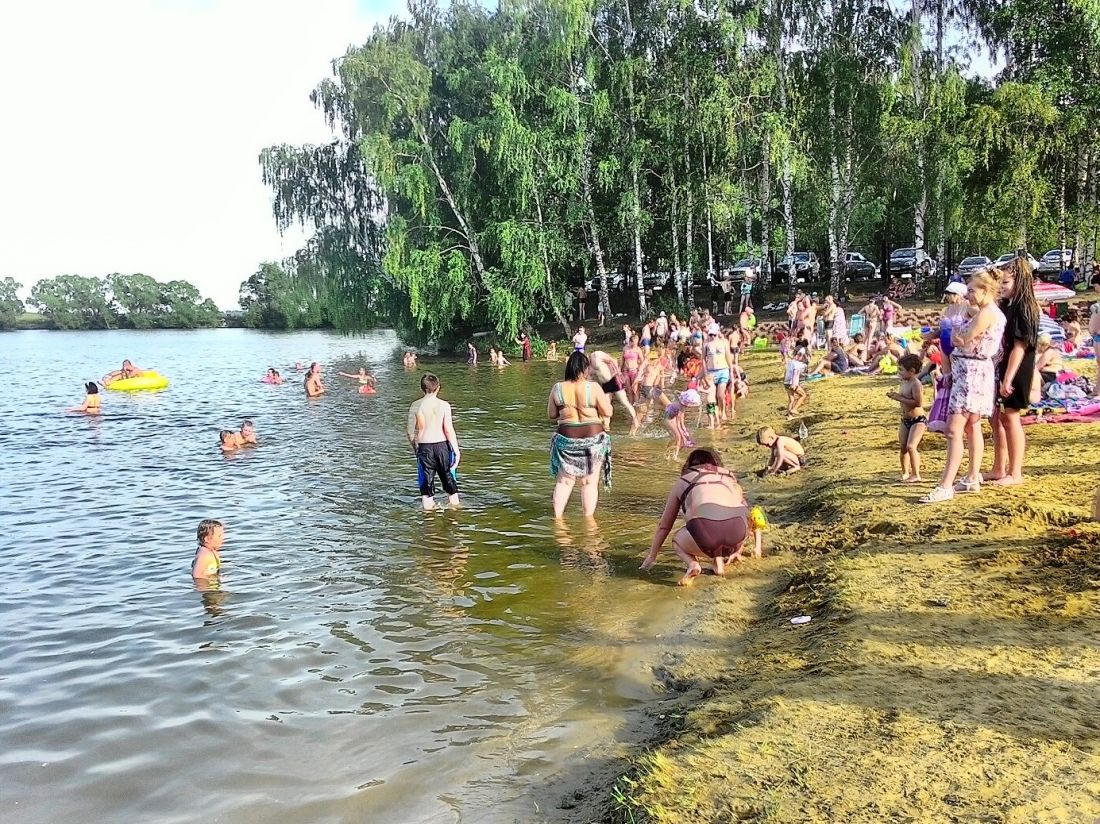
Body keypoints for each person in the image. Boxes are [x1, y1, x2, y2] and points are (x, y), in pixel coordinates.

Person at [920, 269, 1006, 503]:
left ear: (985, 290)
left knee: (953, 429)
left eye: (971, 290)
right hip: (974, 371)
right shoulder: (988, 312)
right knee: (972, 426)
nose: (967, 295)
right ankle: (971, 477)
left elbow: (961, 338)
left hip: (971, 372)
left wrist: (955, 331)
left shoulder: (987, 313)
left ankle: (945, 485)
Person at [640, 448, 751, 586]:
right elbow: (746, 511)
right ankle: (719, 565)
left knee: (678, 539)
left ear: (689, 465)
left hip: (706, 535)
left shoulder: (683, 481)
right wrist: (740, 545)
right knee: (719, 517)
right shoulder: (729, 477)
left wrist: (652, 556)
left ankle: (693, 565)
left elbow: (664, 526)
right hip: (737, 535)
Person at [985, 258, 1040, 486]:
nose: (1001, 287)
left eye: (1006, 282)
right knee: (996, 418)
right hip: (1004, 365)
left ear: (1020, 280)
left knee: (1011, 417)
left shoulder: (1024, 306)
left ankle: (1015, 472)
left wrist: (1007, 378)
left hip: (1017, 367)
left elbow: (1020, 346)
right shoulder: (1006, 305)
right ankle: (999, 468)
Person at [547, 352, 613, 518]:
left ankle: (558, 520)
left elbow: (552, 414)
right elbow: (608, 411)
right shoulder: (594, 387)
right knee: (589, 482)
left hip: (566, 440)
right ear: (585, 369)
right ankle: (589, 522)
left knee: (565, 481)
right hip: (593, 440)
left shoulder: (558, 388)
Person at [407, 373, 461, 511]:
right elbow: (449, 430)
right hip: (442, 446)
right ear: (438, 388)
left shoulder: (415, 405)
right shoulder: (444, 405)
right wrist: (456, 450)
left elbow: (410, 432)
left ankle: (429, 521)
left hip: (424, 447)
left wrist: (416, 449)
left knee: (426, 486)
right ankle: (454, 517)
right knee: (449, 482)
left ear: (422, 388)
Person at [887, 354, 928, 483]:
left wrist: (898, 398)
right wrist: (895, 395)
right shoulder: (904, 382)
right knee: (903, 447)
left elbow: (918, 403)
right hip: (905, 420)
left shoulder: (916, 384)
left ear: (912, 371)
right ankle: (905, 472)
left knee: (911, 446)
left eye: (901, 370)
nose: (899, 373)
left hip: (918, 420)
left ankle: (916, 474)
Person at [589, 350, 639, 434]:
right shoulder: (588, 367)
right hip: (605, 385)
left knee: (624, 402)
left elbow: (612, 360)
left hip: (614, 380)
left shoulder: (596, 355)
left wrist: (618, 373)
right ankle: (606, 427)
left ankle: (635, 420)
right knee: (605, 406)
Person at [784, 346, 808, 417]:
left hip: (786, 383)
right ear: (800, 355)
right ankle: (794, 409)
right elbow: (795, 373)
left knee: (791, 399)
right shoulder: (797, 364)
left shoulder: (791, 362)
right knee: (803, 395)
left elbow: (786, 372)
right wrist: (794, 384)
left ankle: (789, 416)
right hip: (793, 383)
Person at [621, 334, 644, 402]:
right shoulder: (625, 348)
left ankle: (636, 405)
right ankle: (631, 405)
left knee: (635, 390)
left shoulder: (638, 349)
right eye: (634, 343)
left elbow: (643, 361)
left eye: (637, 343)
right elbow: (622, 359)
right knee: (629, 391)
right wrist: (619, 369)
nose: (635, 344)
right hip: (626, 371)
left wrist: (640, 370)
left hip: (634, 371)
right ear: (630, 341)